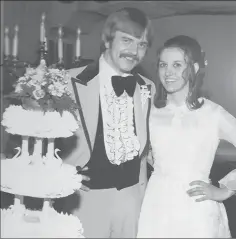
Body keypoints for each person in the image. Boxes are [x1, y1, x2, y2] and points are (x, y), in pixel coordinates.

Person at [137, 35, 236, 238]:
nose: (168, 72)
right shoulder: (149, 112)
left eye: (177, 65)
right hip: (155, 207)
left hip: (196, 210)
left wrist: (224, 191)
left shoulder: (213, 113)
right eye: (163, 65)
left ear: (193, 69)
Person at [56, 7, 156, 238]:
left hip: (133, 200)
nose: (134, 51)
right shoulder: (67, 82)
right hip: (85, 200)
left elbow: (150, 145)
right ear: (107, 40)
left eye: (141, 44)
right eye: (126, 40)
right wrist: (61, 174)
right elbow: (34, 138)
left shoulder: (147, 87)